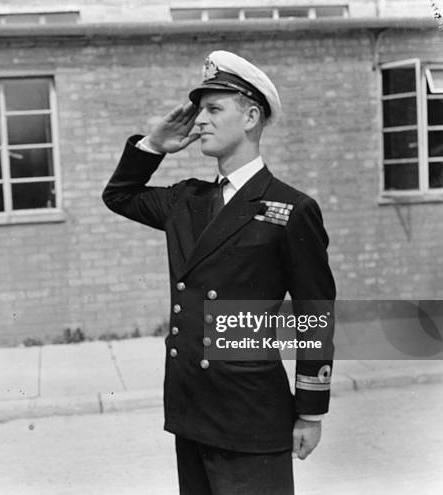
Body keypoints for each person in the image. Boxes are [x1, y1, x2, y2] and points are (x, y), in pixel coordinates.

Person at [102, 50, 336, 495]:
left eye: (214, 109)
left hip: (250, 413)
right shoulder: (186, 200)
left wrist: (310, 411)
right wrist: (153, 146)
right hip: (191, 408)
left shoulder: (291, 209)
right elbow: (120, 196)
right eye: (200, 110)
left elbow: (315, 314)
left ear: (251, 117)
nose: (200, 121)